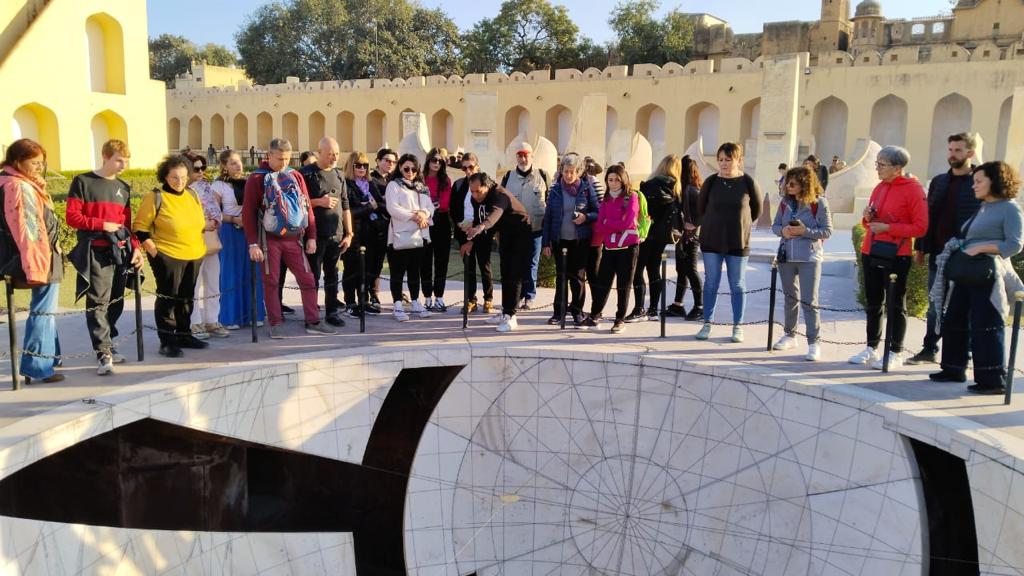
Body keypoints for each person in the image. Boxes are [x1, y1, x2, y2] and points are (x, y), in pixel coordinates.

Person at [929, 162, 1024, 394]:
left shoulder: (1009, 208)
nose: (974, 185)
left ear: (996, 181)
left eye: (979, 181)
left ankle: (992, 380)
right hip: (968, 273)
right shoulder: (983, 207)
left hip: (988, 276)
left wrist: (982, 248)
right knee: (955, 320)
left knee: (986, 326)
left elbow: (1015, 244)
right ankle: (953, 368)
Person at [243, 138, 336, 338]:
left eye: (287, 159)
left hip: (294, 238)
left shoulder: (295, 175)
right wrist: (253, 243)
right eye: (279, 159)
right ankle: (275, 323)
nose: (284, 163)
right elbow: (248, 213)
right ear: (269, 156)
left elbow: (306, 207)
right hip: (269, 239)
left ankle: (313, 320)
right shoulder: (256, 178)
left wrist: (311, 236)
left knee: (307, 278)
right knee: (271, 281)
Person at [66, 139, 143, 375]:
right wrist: (102, 224)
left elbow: (126, 224)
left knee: (116, 300)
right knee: (98, 301)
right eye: (119, 160)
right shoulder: (82, 181)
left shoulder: (123, 187)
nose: (123, 165)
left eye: (126, 161)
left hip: (119, 250)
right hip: (94, 250)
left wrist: (136, 248)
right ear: (105, 156)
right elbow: (72, 217)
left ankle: (109, 341)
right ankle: (103, 352)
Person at [848, 146, 928, 369]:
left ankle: (895, 351)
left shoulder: (914, 190)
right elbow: (869, 223)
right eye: (877, 163)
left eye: (881, 164)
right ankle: (871, 347)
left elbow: (921, 227)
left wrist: (889, 228)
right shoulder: (880, 187)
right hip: (871, 250)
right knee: (873, 302)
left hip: (897, 254)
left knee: (895, 304)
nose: (877, 168)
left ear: (897, 167)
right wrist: (867, 217)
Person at [907, 132, 980, 365]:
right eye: (950, 150)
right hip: (938, 255)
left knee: (965, 305)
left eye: (958, 150)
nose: (952, 154)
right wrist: (920, 248)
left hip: (966, 256)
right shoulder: (939, 181)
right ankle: (929, 349)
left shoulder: (980, 182)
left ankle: (966, 352)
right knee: (934, 306)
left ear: (970, 153)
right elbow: (929, 217)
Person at [0, 139, 64, 383]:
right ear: (18, 162)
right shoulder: (19, 186)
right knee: (43, 312)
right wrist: (37, 266)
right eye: (34, 162)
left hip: (22, 257)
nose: (39, 167)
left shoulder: (7, 181)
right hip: (36, 258)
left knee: (46, 311)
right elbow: (30, 231)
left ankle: (51, 358)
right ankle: (38, 366)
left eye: (41, 162)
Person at [133, 155, 209, 357]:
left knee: (187, 297)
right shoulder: (155, 197)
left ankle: (184, 334)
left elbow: (199, 221)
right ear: (165, 177)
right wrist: (156, 253)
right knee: (168, 298)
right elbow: (140, 228)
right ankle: (167, 341)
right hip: (167, 255)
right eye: (174, 177)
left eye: (183, 177)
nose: (180, 181)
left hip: (194, 254)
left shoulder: (192, 194)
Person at [695, 142, 763, 342]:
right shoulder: (711, 182)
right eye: (721, 159)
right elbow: (701, 208)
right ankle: (707, 323)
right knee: (711, 283)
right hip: (712, 241)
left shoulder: (748, 182)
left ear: (739, 160)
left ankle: (737, 326)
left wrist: (739, 223)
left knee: (737, 285)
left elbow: (756, 210)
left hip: (738, 241)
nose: (723, 163)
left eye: (728, 159)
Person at [771, 166, 833, 361]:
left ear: (804, 184)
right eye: (787, 182)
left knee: (809, 301)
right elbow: (775, 226)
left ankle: (814, 343)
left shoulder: (819, 203)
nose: (788, 186)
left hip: (809, 258)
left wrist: (804, 231)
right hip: (786, 257)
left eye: (793, 182)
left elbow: (827, 231)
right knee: (790, 299)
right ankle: (789, 335)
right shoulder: (785, 203)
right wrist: (783, 231)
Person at [464, 172, 533, 332]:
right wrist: (472, 238)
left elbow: (495, 214)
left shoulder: (500, 195)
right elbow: (479, 218)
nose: (475, 195)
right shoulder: (476, 199)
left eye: (478, 191)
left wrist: (481, 227)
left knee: (514, 274)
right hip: (505, 234)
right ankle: (505, 312)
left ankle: (511, 317)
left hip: (521, 232)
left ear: (487, 186)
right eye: (472, 191)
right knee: (505, 273)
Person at [578, 164, 639, 333]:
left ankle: (620, 319)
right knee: (602, 284)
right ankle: (595, 315)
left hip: (627, 247)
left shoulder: (631, 197)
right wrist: (612, 225)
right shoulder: (606, 199)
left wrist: (608, 223)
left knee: (623, 285)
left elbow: (627, 223)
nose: (613, 183)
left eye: (616, 180)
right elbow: (599, 225)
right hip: (610, 248)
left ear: (623, 180)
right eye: (610, 180)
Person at [542, 153, 599, 327]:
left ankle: (577, 312)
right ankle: (558, 312)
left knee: (578, 278)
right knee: (561, 277)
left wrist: (585, 217)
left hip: (580, 240)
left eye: (572, 172)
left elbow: (597, 212)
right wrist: (546, 243)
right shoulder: (555, 189)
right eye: (566, 171)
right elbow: (548, 217)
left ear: (578, 172)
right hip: (560, 240)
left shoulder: (586, 189)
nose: (568, 175)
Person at [300, 137, 353, 327]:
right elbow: (298, 202)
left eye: (336, 154)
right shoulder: (305, 174)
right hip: (314, 235)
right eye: (330, 154)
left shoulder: (339, 175)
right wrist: (318, 202)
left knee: (332, 274)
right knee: (312, 275)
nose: (334, 158)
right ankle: (311, 314)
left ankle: (332, 312)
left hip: (336, 233)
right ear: (319, 153)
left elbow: (345, 205)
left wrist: (349, 233)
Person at [213, 149, 265, 330]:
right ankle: (231, 317)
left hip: (250, 231)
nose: (238, 165)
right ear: (224, 166)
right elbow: (214, 212)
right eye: (233, 163)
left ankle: (253, 314)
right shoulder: (218, 185)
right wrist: (234, 219)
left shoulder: (249, 181)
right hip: (230, 231)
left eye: (239, 161)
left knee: (252, 271)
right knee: (231, 272)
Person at [627, 154, 681, 323]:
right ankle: (653, 310)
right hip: (662, 236)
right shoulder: (676, 188)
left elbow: (642, 210)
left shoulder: (650, 185)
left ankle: (639, 308)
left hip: (646, 234)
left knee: (638, 270)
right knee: (654, 270)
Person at [385, 154, 434, 321]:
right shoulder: (394, 185)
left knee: (415, 271)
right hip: (400, 235)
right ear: (400, 168)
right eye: (406, 168)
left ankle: (415, 301)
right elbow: (393, 208)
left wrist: (424, 214)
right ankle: (398, 305)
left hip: (419, 236)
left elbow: (430, 207)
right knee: (397, 272)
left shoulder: (422, 187)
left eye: (414, 169)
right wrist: (414, 216)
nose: (410, 172)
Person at [184, 153, 228, 340]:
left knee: (213, 281)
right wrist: (202, 224)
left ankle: (212, 320)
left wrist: (215, 220)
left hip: (210, 238)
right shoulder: (182, 191)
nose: (201, 172)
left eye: (203, 168)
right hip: (192, 241)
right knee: (194, 284)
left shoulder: (206, 186)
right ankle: (194, 322)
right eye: (196, 169)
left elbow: (216, 209)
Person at [502, 142, 548, 310]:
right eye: (520, 156)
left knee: (532, 263)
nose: (523, 159)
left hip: (536, 229)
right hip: (516, 230)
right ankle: (518, 295)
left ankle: (529, 296)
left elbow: (549, 201)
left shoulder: (542, 175)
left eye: (526, 155)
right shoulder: (508, 177)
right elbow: (502, 202)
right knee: (517, 263)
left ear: (531, 156)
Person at [342, 151, 387, 318]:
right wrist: (368, 207)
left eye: (365, 165)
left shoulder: (371, 183)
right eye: (358, 165)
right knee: (351, 269)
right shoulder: (346, 184)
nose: (362, 168)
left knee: (367, 269)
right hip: (353, 233)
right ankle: (350, 303)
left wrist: (371, 206)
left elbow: (381, 205)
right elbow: (348, 211)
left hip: (371, 233)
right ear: (351, 166)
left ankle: (364, 301)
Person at [452, 153, 494, 314]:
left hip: (482, 231)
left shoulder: (486, 182)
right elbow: (454, 208)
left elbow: (489, 210)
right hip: (464, 231)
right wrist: (460, 225)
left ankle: (488, 299)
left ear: (477, 166)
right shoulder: (458, 185)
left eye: (470, 166)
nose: (468, 170)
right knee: (469, 267)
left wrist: (477, 228)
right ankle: (471, 300)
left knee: (485, 266)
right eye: (464, 168)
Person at [666, 155, 703, 321]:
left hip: (690, 238)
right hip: (683, 237)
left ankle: (699, 307)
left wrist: (692, 224)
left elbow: (704, 213)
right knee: (681, 270)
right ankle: (678, 304)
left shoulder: (692, 190)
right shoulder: (687, 189)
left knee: (691, 270)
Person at [421, 148, 452, 312]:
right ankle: (427, 297)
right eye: (434, 160)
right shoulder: (420, 179)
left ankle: (439, 296)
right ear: (428, 160)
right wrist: (431, 206)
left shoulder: (445, 180)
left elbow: (445, 203)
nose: (437, 163)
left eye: (440, 161)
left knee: (442, 261)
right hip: (424, 222)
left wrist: (432, 205)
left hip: (441, 222)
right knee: (425, 261)